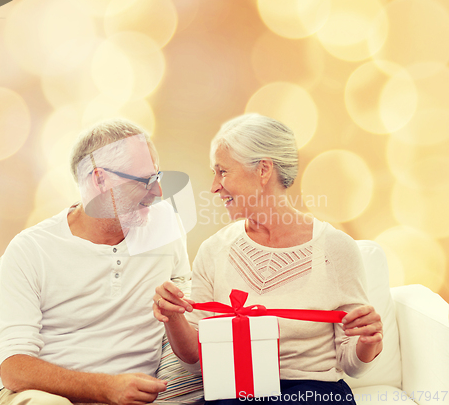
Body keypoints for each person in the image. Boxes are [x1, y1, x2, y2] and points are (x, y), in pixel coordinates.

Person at [153, 113, 383, 404]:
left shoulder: (335, 249)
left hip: (313, 394)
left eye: (223, 172)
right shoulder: (214, 251)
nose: (213, 186)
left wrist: (368, 341)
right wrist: (172, 316)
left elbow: (352, 363)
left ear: (263, 170)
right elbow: (196, 359)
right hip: (237, 393)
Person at [0, 118, 191, 405]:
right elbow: (13, 368)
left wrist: (173, 313)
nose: (158, 192)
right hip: (46, 397)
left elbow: (190, 346)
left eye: (158, 177)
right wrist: (105, 388)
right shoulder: (31, 249)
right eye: (145, 180)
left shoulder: (165, 227)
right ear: (100, 179)